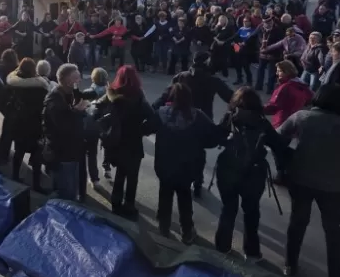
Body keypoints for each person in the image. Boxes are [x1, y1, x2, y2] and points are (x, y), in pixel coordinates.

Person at [278, 84, 340, 277]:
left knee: (297, 222)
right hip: (335, 185)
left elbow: (279, 138)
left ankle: (290, 264)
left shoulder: (302, 117)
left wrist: (288, 160)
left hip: (302, 178)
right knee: (334, 231)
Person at [213, 86, 286, 259]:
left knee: (228, 209)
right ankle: (252, 252)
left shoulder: (230, 118)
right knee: (251, 212)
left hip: (227, 170)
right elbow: (279, 146)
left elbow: (215, 137)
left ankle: (222, 247)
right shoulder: (262, 123)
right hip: (254, 173)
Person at [154, 83, 224, 244]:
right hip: (187, 167)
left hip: (164, 164)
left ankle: (163, 226)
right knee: (184, 197)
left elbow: (146, 127)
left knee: (165, 194)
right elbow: (213, 136)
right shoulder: (197, 116)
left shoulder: (162, 114)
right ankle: (187, 230)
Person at [92, 65, 157, 218]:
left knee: (120, 174)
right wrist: (143, 130)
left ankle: (115, 204)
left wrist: (104, 127)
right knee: (132, 177)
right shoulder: (139, 96)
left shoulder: (111, 93)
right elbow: (153, 118)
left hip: (116, 141)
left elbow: (96, 110)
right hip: (133, 141)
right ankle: (129, 206)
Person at [42, 63, 89, 200]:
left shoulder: (69, 94)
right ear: (69, 81)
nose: (80, 80)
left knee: (68, 188)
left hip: (72, 151)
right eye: (77, 78)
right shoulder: (55, 101)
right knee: (67, 193)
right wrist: (78, 111)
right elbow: (65, 128)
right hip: (64, 154)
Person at [2, 58, 50, 189]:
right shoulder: (41, 88)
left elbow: (5, 101)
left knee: (19, 151)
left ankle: (15, 176)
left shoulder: (13, 84)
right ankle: (36, 184)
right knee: (36, 156)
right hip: (35, 125)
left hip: (18, 123)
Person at [79, 67, 110, 188]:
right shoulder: (110, 92)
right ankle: (106, 168)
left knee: (91, 153)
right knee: (106, 146)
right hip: (106, 124)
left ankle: (94, 179)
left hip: (91, 125)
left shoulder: (89, 92)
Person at [264, 60, 312, 129]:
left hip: (281, 121)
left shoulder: (285, 87)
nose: (277, 73)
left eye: (279, 71)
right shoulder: (302, 85)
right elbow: (309, 99)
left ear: (287, 72)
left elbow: (274, 106)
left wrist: (257, 109)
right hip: (296, 120)